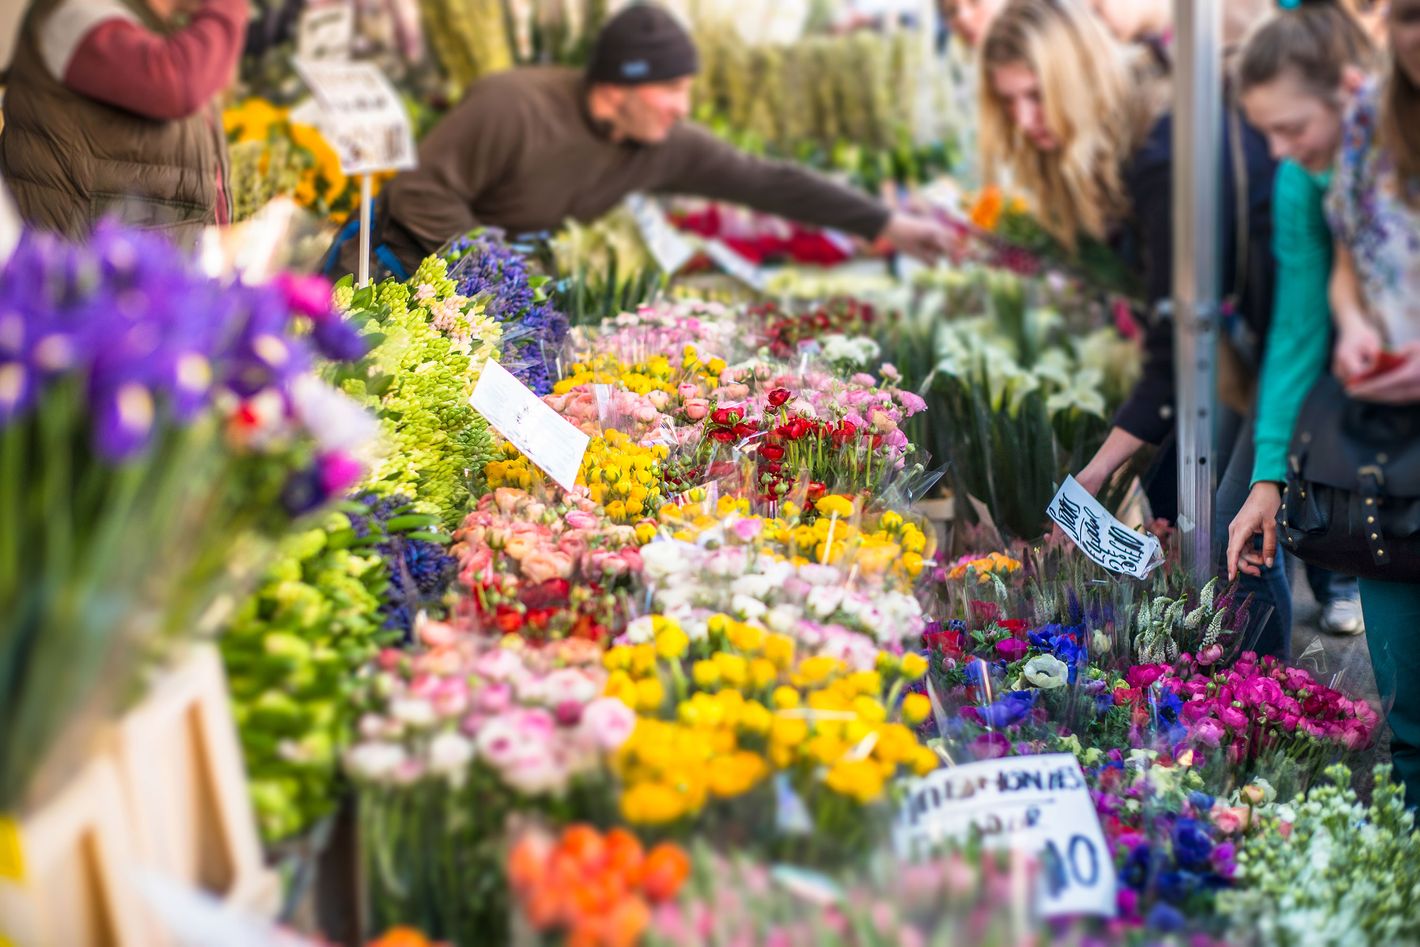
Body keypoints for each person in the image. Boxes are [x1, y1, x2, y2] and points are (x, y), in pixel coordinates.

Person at [978, 0, 1287, 658]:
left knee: (1233, 551)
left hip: (1288, 346)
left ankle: (1258, 703)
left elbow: (1175, 351)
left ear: (1077, 76)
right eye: (1012, 104)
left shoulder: (1157, 155)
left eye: (1039, 95)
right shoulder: (1137, 137)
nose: (1028, 121)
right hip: (1240, 353)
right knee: (1233, 540)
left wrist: (1095, 473)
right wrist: (1098, 477)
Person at [331, 3, 954, 279]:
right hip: (400, 268)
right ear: (616, 87)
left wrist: (884, 223)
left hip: (478, 289)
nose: (684, 107)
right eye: (671, 89)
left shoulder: (664, 143)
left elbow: (767, 181)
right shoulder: (513, 104)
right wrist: (489, 271)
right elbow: (421, 189)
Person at [1226, 0, 1377, 637]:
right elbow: (1297, 329)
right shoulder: (1300, 180)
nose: (1279, 152)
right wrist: (1269, 474)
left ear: (1349, 89)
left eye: (1291, 128)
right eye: (1266, 134)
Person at [0, 0, 246, 244]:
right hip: (77, 273)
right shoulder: (75, 12)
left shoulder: (148, 29)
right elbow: (178, 84)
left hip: (138, 272)